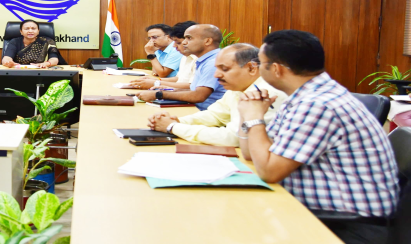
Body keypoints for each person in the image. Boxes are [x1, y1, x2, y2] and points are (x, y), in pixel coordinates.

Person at [238, 30, 398, 244]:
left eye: (260, 63)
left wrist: (254, 118)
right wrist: (247, 114)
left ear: (276, 69)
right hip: (317, 213)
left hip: (348, 226)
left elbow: (269, 171)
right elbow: (252, 154)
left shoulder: (317, 105)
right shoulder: (304, 98)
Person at [147, 43, 286, 146]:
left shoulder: (266, 93)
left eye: (224, 69)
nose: (216, 75)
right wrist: (177, 121)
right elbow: (215, 115)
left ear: (251, 68)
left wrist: (173, 127)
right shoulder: (238, 87)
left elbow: (233, 137)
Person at [136, 24, 226, 110]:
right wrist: (172, 90)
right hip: (195, 108)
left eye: (189, 38)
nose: (185, 42)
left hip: (204, 111)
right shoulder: (205, 59)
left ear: (207, 41)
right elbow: (194, 89)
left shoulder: (213, 62)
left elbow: (198, 96)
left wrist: (159, 94)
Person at [130, 21, 196, 90]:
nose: (151, 41)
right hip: (176, 89)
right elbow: (178, 78)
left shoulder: (179, 51)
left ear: (168, 37)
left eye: (155, 37)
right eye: (149, 38)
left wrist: (156, 83)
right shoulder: (185, 56)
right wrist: (156, 80)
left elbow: (162, 74)